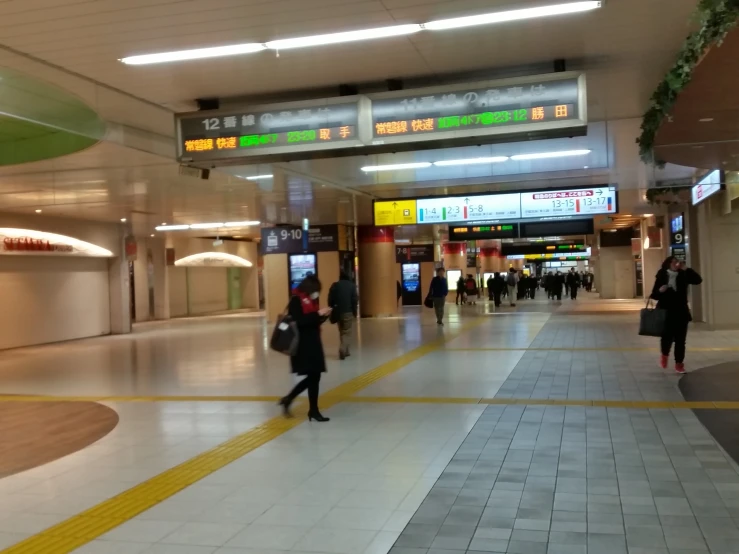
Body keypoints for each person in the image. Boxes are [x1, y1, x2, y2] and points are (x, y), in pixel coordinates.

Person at [279, 275, 331, 422]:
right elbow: (299, 321)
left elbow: (312, 320)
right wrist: (318, 314)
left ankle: (305, 406)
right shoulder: (296, 300)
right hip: (303, 345)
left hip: (313, 342)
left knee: (315, 376)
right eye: (316, 290)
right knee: (313, 376)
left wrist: (322, 316)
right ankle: (307, 408)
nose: (317, 293)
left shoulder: (310, 300)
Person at [650, 256, 702, 374]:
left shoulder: (683, 274)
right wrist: (660, 291)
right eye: (674, 262)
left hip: (681, 312)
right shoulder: (662, 275)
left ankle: (679, 364)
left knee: (680, 340)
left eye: (678, 262)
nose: (676, 264)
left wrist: (687, 269)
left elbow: (698, 280)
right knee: (666, 338)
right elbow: (654, 295)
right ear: (668, 263)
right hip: (666, 312)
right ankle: (664, 355)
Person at [328, 271, 358, 360]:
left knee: (341, 331)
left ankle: (346, 351)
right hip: (347, 311)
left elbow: (330, 298)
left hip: (337, 312)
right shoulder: (352, 286)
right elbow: (354, 300)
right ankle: (342, 349)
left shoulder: (335, 285)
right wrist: (354, 311)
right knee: (347, 332)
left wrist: (332, 308)